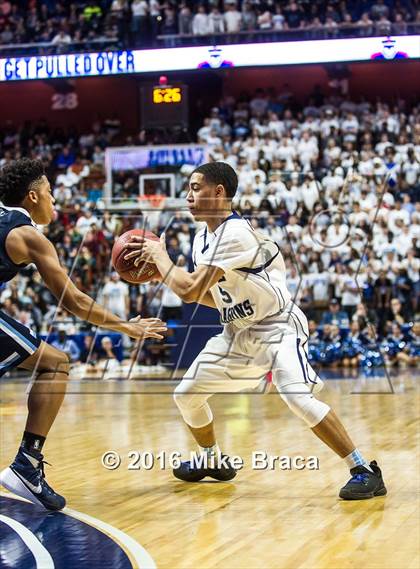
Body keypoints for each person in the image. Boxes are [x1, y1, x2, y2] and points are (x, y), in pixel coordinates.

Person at [125, 162, 386, 501]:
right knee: (186, 395)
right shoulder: (202, 237)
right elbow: (209, 297)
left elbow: (188, 289)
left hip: (278, 327)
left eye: (195, 188)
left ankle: (364, 469)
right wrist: (163, 274)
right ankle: (212, 459)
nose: (187, 196)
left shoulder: (235, 234)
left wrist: (161, 259)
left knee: (297, 398)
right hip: (237, 332)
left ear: (219, 193)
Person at [0, 158, 167, 511]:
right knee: (56, 364)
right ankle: (26, 467)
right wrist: (127, 326)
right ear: (32, 197)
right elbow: (73, 300)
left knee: (52, 361)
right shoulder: (28, 235)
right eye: (49, 193)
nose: (54, 201)